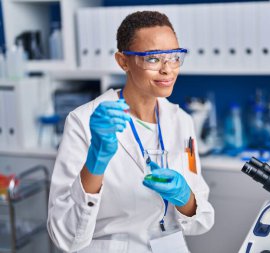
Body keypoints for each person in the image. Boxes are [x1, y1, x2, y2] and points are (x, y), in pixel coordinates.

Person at [47, 11, 215, 253]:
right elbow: (65, 237)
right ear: (123, 61)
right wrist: (96, 160)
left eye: (174, 57)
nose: (168, 70)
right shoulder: (84, 121)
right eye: (153, 59)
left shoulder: (182, 120)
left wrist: (185, 197)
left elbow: (202, 219)